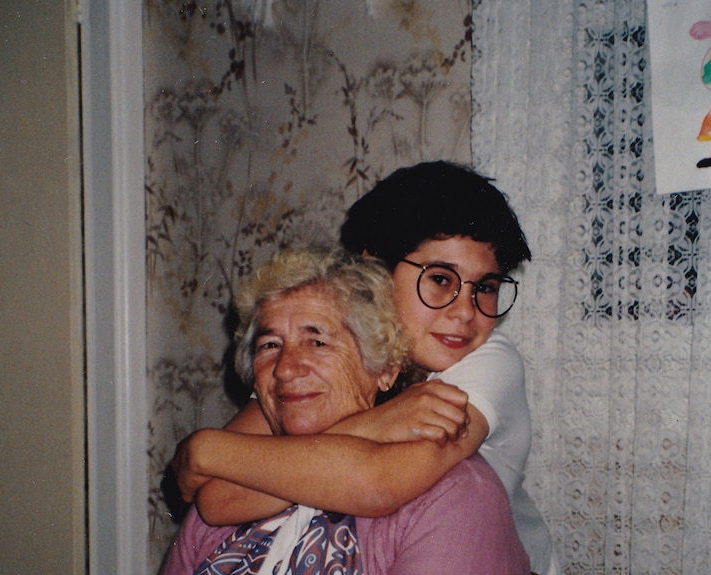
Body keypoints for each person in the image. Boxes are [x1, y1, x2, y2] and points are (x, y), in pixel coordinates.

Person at [173, 161, 557, 574]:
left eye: (485, 287)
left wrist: (209, 450)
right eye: (441, 279)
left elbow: (379, 482)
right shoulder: (318, 355)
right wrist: (377, 424)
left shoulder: (486, 361)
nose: (465, 312)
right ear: (374, 268)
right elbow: (219, 497)